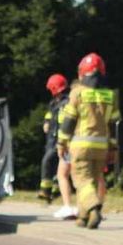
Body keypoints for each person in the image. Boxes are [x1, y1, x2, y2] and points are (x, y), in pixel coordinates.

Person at [57, 54, 120, 229]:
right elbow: (115, 124)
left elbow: (69, 120)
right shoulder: (110, 95)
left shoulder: (77, 93)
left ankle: (93, 208)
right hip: (102, 147)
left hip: (80, 146)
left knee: (81, 181)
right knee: (91, 181)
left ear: (82, 73)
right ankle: (83, 217)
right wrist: (114, 148)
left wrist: (61, 143)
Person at [38, 74, 75, 219]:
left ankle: (46, 190)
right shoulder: (54, 103)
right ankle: (52, 190)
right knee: (55, 166)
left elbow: (66, 121)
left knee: (48, 161)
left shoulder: (66, 102)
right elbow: (49, 115)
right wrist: (46, 122)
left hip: (61, 141)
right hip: (52, 140)